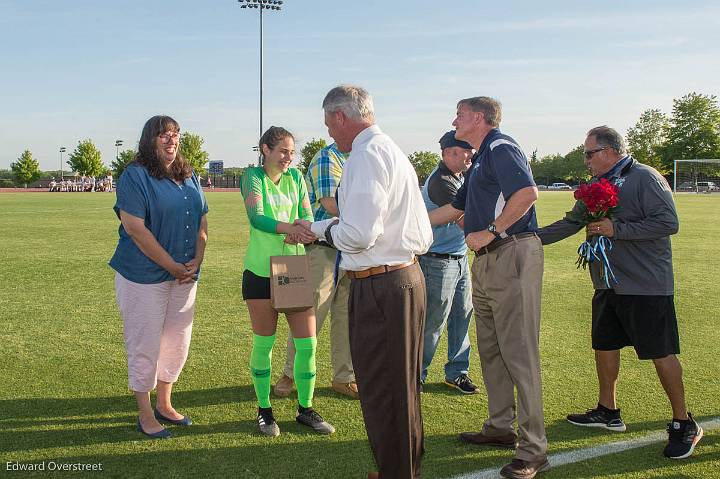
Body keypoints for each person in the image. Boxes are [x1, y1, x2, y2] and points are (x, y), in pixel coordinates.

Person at [537, 125, 703, 459]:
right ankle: (608, 411)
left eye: (589, 153)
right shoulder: (597, 183)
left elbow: (668, 222)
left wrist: (618, 229)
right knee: (605, 344)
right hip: (606, 281)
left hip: (645, 284)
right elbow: (572, 222)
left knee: (660, 350)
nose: (585, 160)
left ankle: (684, 422)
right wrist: (526, 240)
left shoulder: (645, 177)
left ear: (611, 151)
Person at [304, 85, 433, 479]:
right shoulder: (392, 150)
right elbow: (421, 231)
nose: (329, 133)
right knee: (400, 387)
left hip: (381, 285)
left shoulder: (364, 155)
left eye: (329, 124)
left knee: (384, 389)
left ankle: (397, 471)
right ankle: (400, 467)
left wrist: (317, 231)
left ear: (341, 117)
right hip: (403, 277)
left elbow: (358, 235)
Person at [429, 97, 548, 479]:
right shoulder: (480, 157)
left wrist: (492, 230)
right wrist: (402, 231)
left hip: (510, 252)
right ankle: (500, 427)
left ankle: (533, 449)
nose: (454, 120)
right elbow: (453, 210)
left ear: (478, 118)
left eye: (460, 115)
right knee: (491, 347)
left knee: (519, 352)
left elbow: (527, 194)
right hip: (489, 260)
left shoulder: (500, 146)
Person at [109, 115, 208, 439]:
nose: (171, 140)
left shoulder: (187, 174)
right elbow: (136, 229)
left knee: (177, 343)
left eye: (175, 134)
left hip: (184, 275)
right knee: (145, 345)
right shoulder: (135, 176)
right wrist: (171, 265)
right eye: (164, 135)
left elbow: (202, 217)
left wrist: (198, 257)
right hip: (144, 276)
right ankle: (145, 413)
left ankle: (165, 404)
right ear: (150, 140)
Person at [239, 126, 335, 437]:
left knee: (308, 343)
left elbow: (306, 214)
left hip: (291, 268)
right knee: (263, 343)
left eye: (292, 152)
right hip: (260, 272)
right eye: (282, 151)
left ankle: (305, 409)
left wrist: (303, 229)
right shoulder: (252, 176)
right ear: (265, 149)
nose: (288, 158)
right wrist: (289, 228)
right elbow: (257, 217)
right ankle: (264, 410)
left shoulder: (296, 179)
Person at [274, 142, 358, 400]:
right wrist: (368, 214)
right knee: (309, 316)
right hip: (322, 248)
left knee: (346, 318)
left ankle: (344, 377)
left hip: (352, 249)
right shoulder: (327, 158)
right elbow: (331, 204)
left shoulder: (359, 157)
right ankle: (290, 374)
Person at [419, 130, 478, 394]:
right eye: (461, 151)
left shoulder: (461, 176)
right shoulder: (442, 181)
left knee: (461, 317)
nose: (468, 155)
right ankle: (415, 375)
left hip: (458, 257)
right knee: (433, 322)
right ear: (446, 154)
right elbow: (465, 219)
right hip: (437, 261)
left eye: (468, 150)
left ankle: (457, 372)